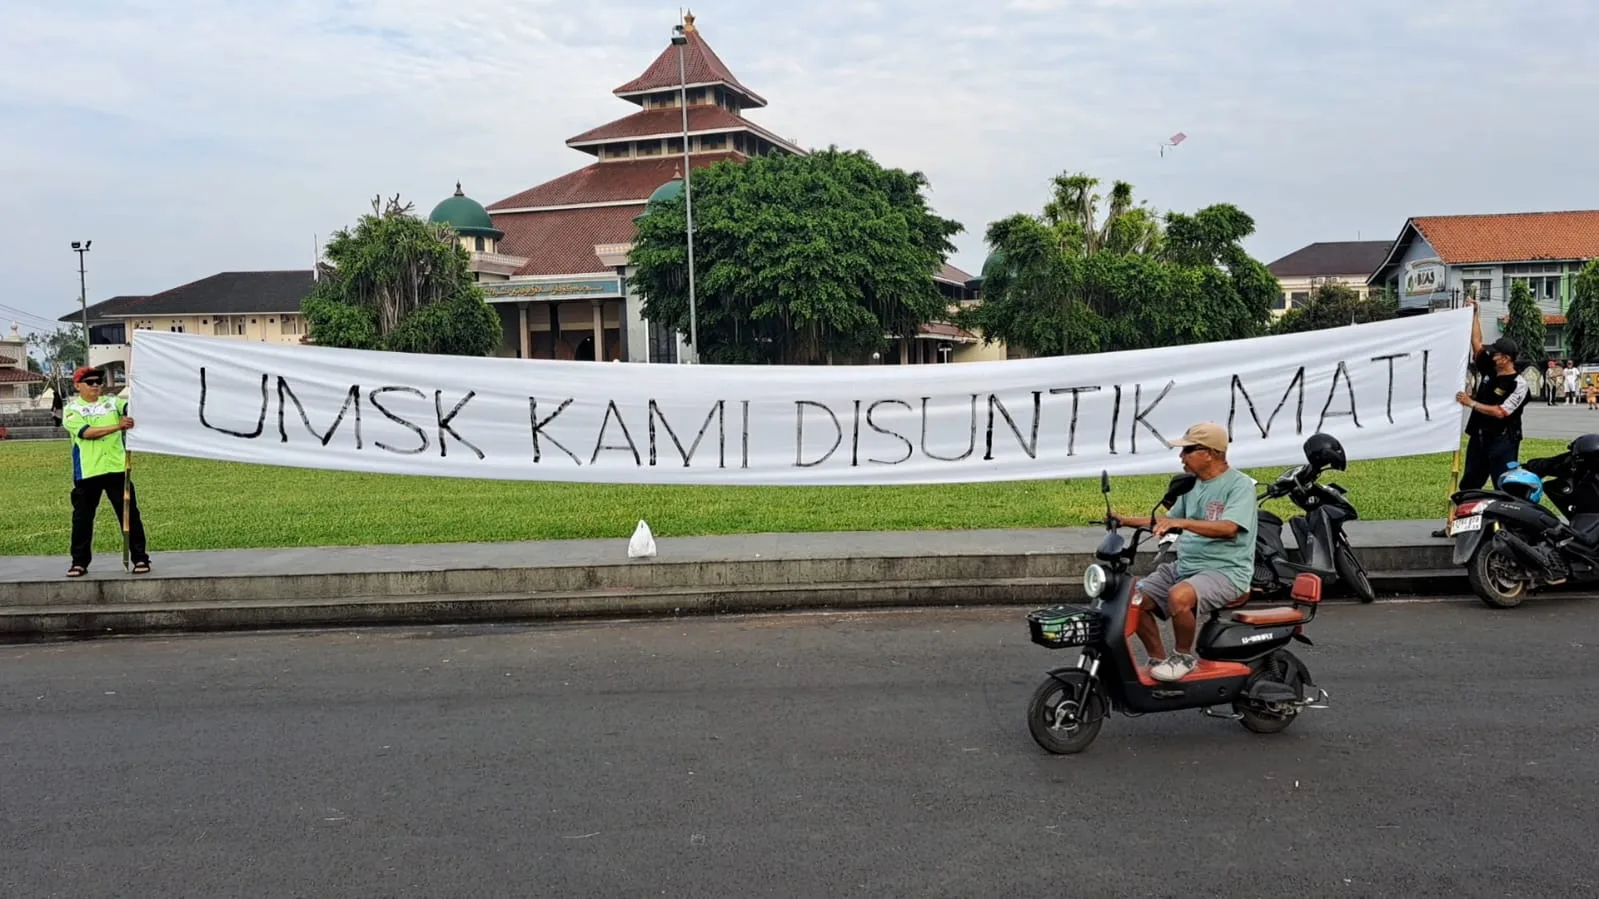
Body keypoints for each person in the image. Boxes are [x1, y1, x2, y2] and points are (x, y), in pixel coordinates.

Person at [1112, 422, 1258, 682]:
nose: (1181, 457)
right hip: (1187, 566)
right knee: (1134, 598)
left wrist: (1183, 523)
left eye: (1187, 450)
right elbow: (1168, 520)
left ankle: (1182, 657)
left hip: (1226, 571)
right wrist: (1123, 520)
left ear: (1210, 453)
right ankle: (1158, 660)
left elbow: (1229, 528)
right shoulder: (1192, 485)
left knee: (1179, 596)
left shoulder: (1240, 485)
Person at [1434, 299, 1530, 537]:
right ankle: (1459, 527)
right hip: (1479, 438)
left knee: (1505, 486)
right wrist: (1475, 313)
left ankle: (1510, 531)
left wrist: (1471, 403)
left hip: (1503, 442)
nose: (1492, 354)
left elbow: (1502, 412)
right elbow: (1476, 342)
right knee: (1469, 486)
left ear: (1506, 358)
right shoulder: (1490, 368)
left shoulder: (1519, 384)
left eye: (1496, 353)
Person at [62, 366, 150, 576]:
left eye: (98, 382)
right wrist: (118, 427)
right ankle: (79, 562)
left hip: (116, 468)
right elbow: (87, 432)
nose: (95, 386)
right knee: (82, 518)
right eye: (90, 382)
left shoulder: (112, 403)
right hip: (88, 471)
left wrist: (138, 394)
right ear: (77, 385)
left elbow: (132, 407)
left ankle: (140, 558)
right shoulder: (72, 409)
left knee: (129, 515)